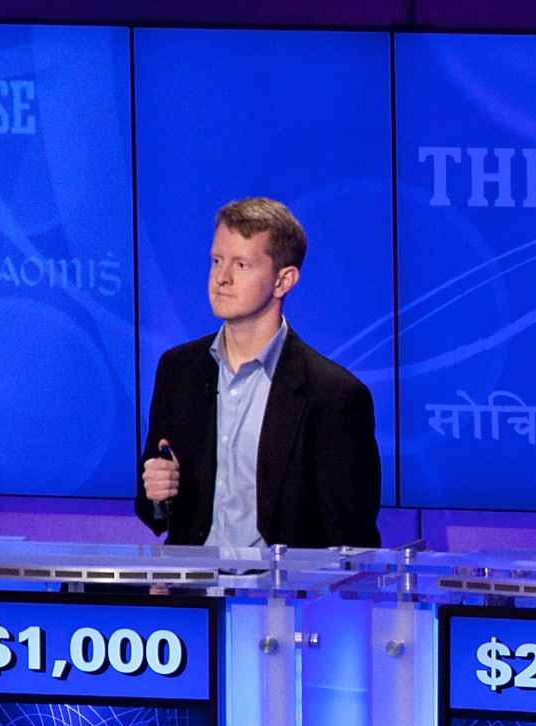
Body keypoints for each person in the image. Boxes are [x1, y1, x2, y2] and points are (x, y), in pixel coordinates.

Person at [135, 197, 381, 548]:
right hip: (195, 595)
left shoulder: (334, 395)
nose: (222, 278)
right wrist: (159, 494)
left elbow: (352, 539)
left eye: (242, 264)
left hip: (281, 597)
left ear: (284, 281)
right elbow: (153, 512)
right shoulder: (178, 371)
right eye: (217, 261)